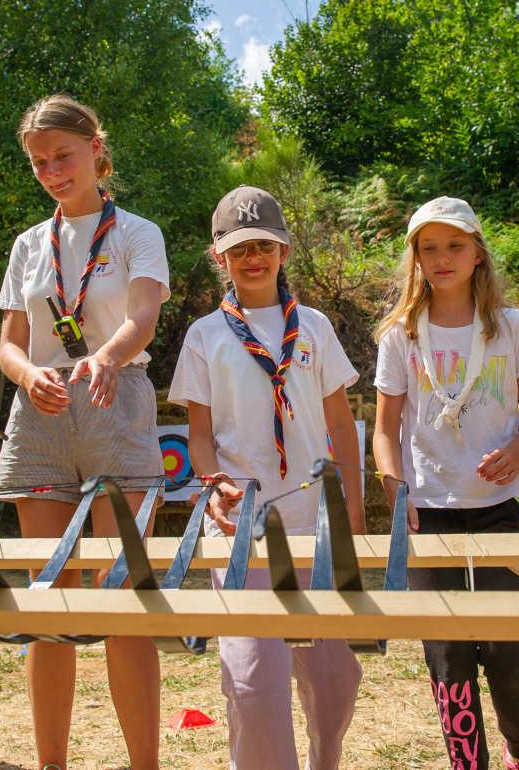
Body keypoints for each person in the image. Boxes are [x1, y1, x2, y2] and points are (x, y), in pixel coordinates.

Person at [0, 94, 169, 770]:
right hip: (39, 412)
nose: (52, 171)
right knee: (50, 597)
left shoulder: (136, 232)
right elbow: (10, 341)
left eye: (62, 156)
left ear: (96, 146)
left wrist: (106, 357)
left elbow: (144, 314)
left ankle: (144, 764)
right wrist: (24, 374)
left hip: (114, 396)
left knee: (123, 592)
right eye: (38, 163)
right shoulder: (27, 245)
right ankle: (51, 764)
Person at [168, 185, 365, 770]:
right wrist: (212, 483)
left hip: (316, 525)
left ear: (282, 250)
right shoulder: (205, 335)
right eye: (238, 248)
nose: (253, 257)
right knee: (254, 686)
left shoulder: (315, 327)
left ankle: (323, 757)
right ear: (219, 257)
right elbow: (199, 436)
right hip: (240, 529)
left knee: (334, 681)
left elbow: (340, 422)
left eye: (264, 244)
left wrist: (353, 507)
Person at [373, 196, 519, 770]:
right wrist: (395, 488)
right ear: (415, 259)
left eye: (454, 246)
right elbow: (384, 430)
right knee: (447, 655)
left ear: (477, 253)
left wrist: (518, 450)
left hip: (499, 506)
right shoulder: (401, 334)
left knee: (508, 648)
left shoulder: (509, 325)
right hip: (429, 511)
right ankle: (467, 764)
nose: (442, 258)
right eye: (429, 248)